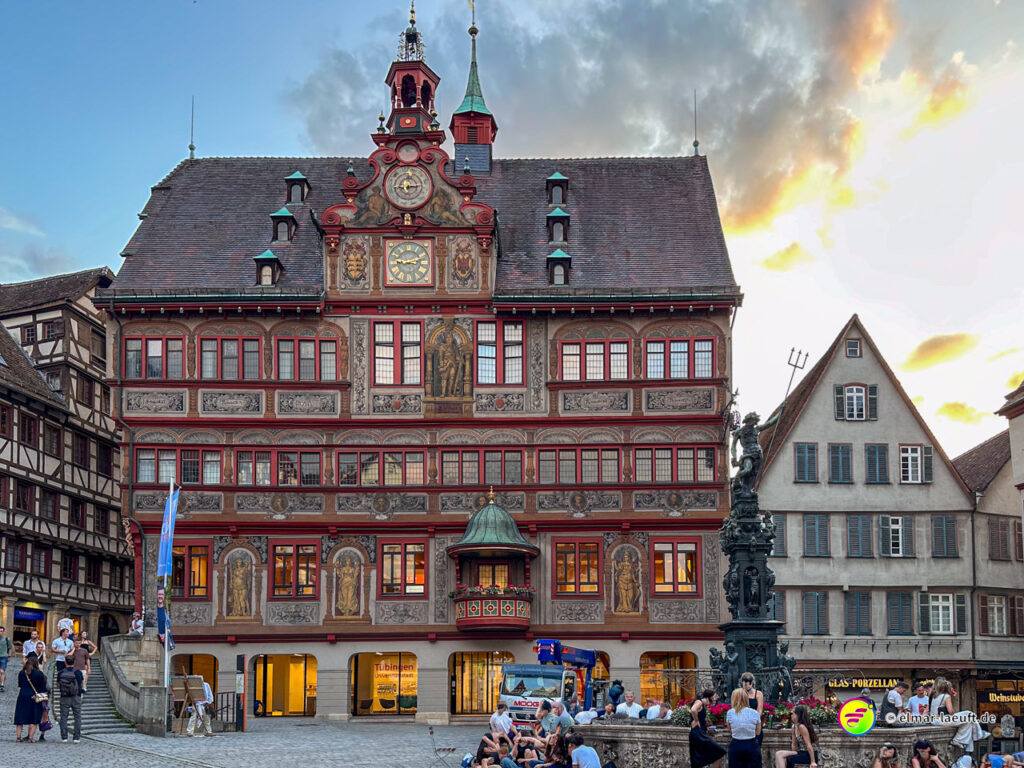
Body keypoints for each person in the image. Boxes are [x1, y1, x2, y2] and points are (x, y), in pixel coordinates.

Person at [689, 689, 727, 768]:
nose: (714, 699)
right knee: (720, 751)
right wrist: (696, 721)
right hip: (698, 734)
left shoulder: (702, 704)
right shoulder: (699, 702)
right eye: (713, 697)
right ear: (708, 697)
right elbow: (693, 710)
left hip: (699, 734)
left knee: (698, 760)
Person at [726, 687, 762, 768]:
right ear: (746, 698)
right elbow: (758, 732)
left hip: (736, 745)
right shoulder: (755, 713)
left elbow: (730, 729)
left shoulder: (730, 713)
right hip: (751, 745)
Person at [773, 703, 818, 768]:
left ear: (798, 715)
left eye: (793, 713)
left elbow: (809, 745)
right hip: (801, 752)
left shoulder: (802, 727)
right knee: (778, 754)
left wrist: (813, 762)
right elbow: (794, 745)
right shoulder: (794, 727)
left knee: (789, 759)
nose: (791, 715)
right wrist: (791, 753)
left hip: (809, 754)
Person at [14, 655, 47, 743]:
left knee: (20, 716)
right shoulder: (39, 674)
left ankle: (18, 737)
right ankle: (31, 737)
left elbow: (20, 684)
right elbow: (43, 688)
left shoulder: (22, 673)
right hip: (34, 697)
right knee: (34, 717)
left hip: (22, 695)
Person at [57, 659, 83, 743]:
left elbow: (58, 685)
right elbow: (81, 684)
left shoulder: (61, 672)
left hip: (64, 697)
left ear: (65, 662)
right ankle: (76, 737)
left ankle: (64, 737)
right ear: (74, 662)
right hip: (76, 696)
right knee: (77, 717)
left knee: (63, 717)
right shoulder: (78, 672)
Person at [741, 672, 765, 745]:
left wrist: (754, 721)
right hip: (742, 721)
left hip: (754, 721)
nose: (745, 687)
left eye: (747, 685)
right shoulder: (740, 693)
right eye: (744, 684)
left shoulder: (758, 694)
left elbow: (759, 710)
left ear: (751, 684)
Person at [0, 625, 12, 692]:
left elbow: (10, 648)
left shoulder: (6, 639)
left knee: (2, 671)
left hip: (3, 657)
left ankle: (2, 685)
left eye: (1, 631)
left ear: (4, 632)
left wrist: (9, 656)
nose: (0, 632)